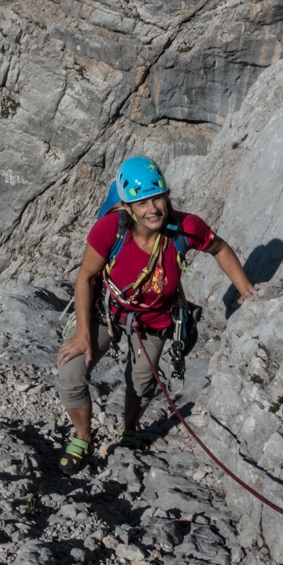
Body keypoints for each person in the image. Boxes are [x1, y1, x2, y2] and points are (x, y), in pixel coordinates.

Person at [55, 155, 259, 474]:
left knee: (142, 383)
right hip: (107, 312)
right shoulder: (111, 229)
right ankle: (83, 438)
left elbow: (219, 248)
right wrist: (83, 335)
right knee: (70, 375)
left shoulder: (185, 229)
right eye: (141, 203)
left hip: (153, 320)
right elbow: (86, 277)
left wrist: (245, 289)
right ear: (128, 207)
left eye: (157, 198)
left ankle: (129, 430)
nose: (152, 209)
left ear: (167, 197)